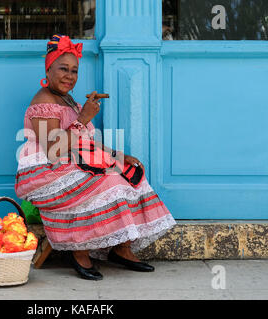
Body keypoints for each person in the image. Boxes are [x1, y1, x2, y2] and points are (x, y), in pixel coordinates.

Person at [15, 34, 176, 280]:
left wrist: (118, 155)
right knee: (106, 182)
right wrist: (83, 118)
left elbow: (86, 143)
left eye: (74, 71)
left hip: (72, 164)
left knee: (131, 175)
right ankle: (78, 250)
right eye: (63, 69)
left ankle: (121, 248)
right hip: (45, 173)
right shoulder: (43, 101)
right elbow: (53, 150)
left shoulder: (69, 101)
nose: (69, 76)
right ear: (48, 69)